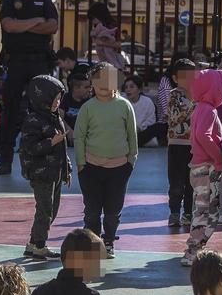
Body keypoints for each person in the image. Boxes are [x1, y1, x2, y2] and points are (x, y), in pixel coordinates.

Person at [0, 0, 59, 175]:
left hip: (39, 61)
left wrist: (24, 26)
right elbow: (9, 26)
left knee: (44, 110)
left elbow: (52, 26)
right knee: (11, 112)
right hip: (16, 62)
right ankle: (5, 160)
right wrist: (35, 21)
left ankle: (44, 158)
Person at [73, 63, 138, 258]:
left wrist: (131, 161)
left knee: (113, 211)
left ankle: (108, 241)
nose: (103, 84)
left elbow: (132, 134)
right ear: (91, 83)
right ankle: (92, 242)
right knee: (92, 211)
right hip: (90, 168)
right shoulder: (87, 108)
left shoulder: (124, 105)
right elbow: (79, 136)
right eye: (98, 79)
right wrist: (81, 162)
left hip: (119, 168)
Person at [19, 75, 71, 260]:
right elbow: (30, 148)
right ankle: (39, 245)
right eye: (54, 99)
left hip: (55, 171)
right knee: (45, 210)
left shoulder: (54, 117)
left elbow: (61, 149)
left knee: (52, 209)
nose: (57, 103)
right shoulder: (33, 120)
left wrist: (67, 168)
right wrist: (50, 142)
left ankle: (33, 243)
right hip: (42, 174)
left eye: (59, 100)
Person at [182, 69, 222, 266]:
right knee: (207, 210)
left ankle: (196, 247)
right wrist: (218, 160)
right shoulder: (209, 110)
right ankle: (193, 249)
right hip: (207, 167)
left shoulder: (200, 107)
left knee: (203, 208)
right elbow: (204, 136)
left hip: (199, 166)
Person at [165, 59, 197, 228]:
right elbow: (175, 117)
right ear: (176, 78)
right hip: (177, 144)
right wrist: (192, 102)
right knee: (176, 181)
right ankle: (174, 212)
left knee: (191, 181)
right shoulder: (174, 94)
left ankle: (188, 213)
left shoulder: (199, 94)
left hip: (194, 145)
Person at [88, 1, 127, 79]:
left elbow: (118, 44)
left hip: (112, 63)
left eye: (93, 18)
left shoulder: (111, 27)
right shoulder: (98, 27)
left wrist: (102, 43)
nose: (92, 21)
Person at [123, 73, 165, 146]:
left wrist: (139, 128)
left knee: (159, 127)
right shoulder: (121, 101)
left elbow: (151, 121)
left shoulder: (147, 102)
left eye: (131, 87)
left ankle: (131, 143)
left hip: (142, 131)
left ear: (139, 89)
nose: (128, 90)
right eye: (126, 87)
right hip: (125, 133)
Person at [59, 72, 92, 142]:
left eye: (90, 87)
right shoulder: (64, 98)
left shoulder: (90, 101)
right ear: (76, 88)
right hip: (66, 140)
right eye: (86, 87)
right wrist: (68, 130)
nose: (90, 90)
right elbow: (59, 118)